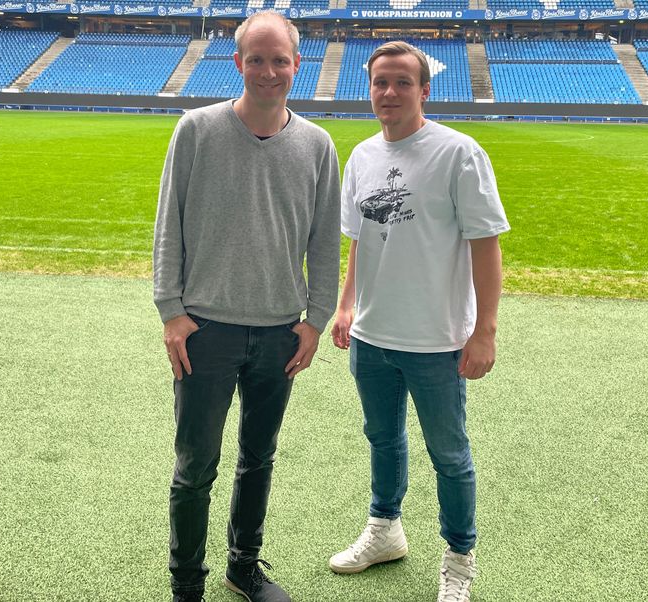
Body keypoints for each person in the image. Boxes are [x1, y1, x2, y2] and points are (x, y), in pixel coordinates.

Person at [153, 11, 340, 602]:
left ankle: (243, 565)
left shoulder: (316, 144)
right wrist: (171, 310)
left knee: (258, 458)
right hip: (206, 329)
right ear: (237, 63)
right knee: (195, 467)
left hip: (280, 332)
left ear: (295, 65)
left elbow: (325, 242)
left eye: (278, 59)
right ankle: (187, 581)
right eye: (255, 59)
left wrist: (316, 320)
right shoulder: (196, 129)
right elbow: (169, 226)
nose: (268, 71)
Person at [328, 41, 510, 602]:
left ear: (424, 90)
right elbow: (360, 240)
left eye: (402, 82)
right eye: (381, 82)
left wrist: (484, 330)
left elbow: (485, 244)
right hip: (371, 335)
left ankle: (459, 557)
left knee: (450, 455)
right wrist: (345, 303)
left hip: (436, 339)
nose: (389, 92)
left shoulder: (458, 153)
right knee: (383, 439)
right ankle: (385, 530)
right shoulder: (361, 156)